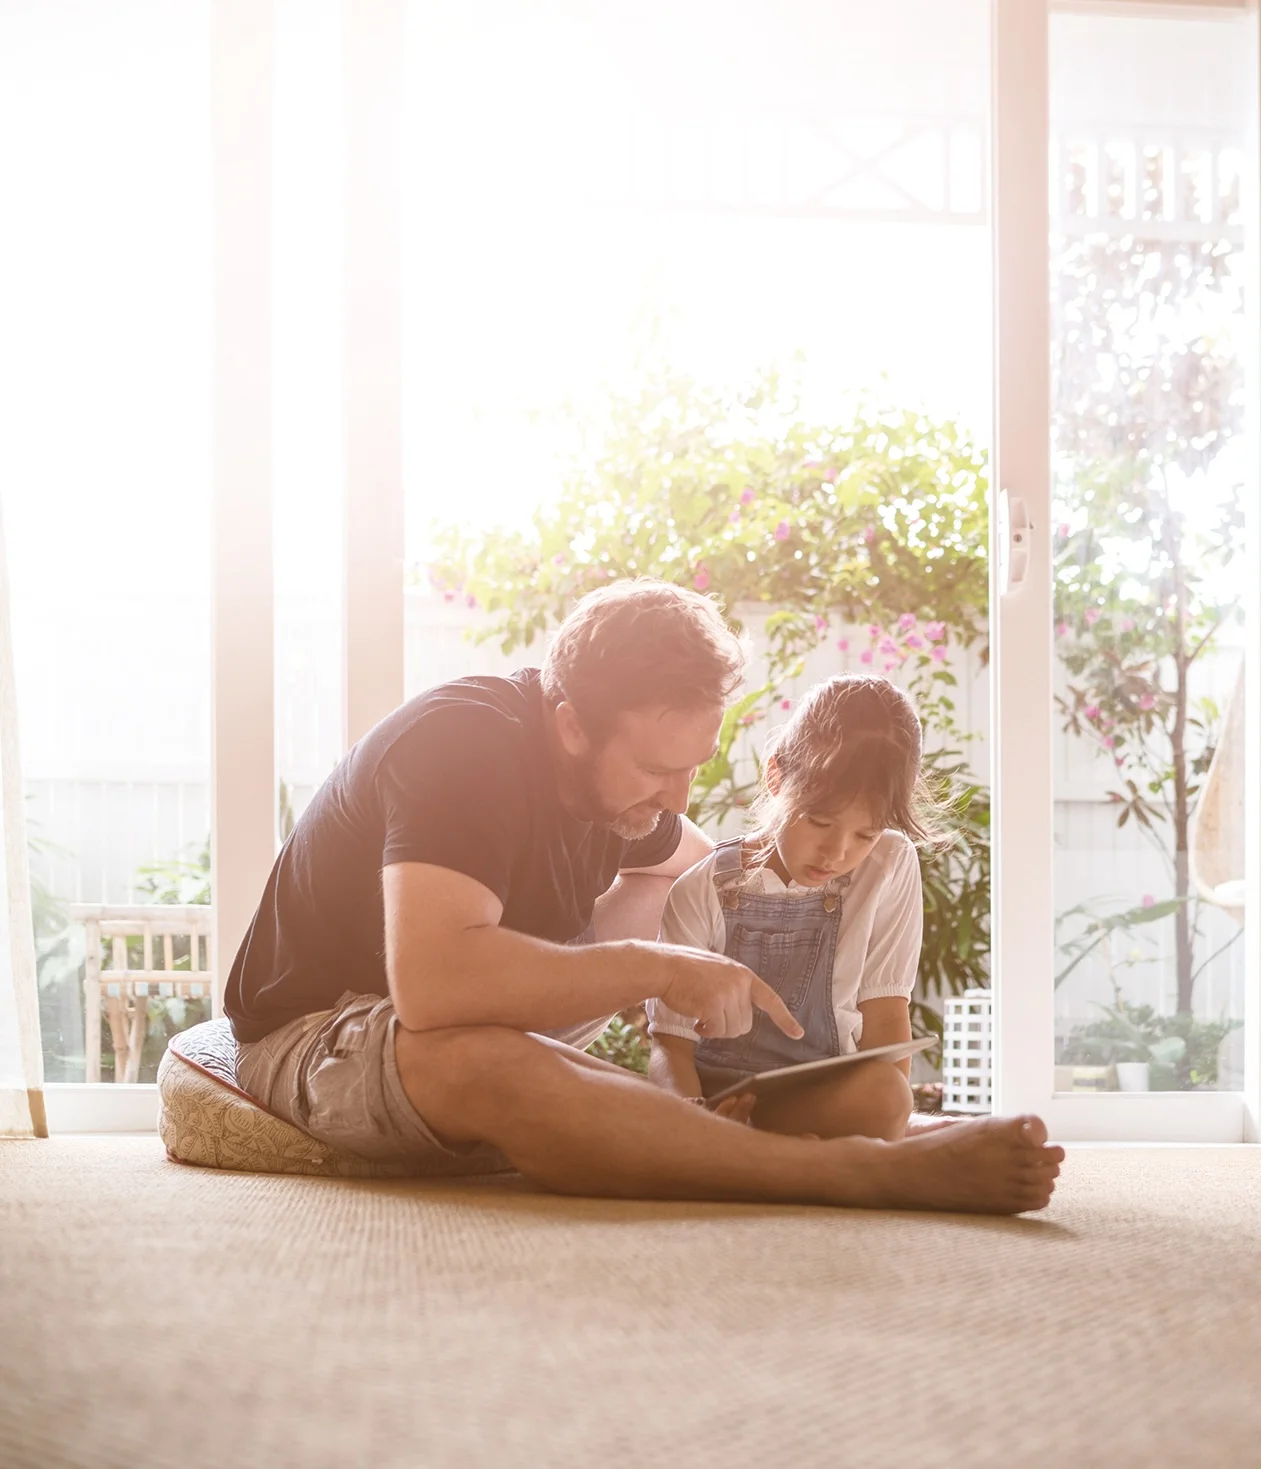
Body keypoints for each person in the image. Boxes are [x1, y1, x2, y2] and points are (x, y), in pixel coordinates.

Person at [226, 578, 1063, 1213]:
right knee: (493, 1062)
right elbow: (434, 986)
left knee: (588, 1008)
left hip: (446, 1013)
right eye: (658, 769)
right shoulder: (466, 743)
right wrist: (653, 968)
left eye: (692, 765)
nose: (675, 795)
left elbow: (692, 870)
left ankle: (716, 1126)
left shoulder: (616, 800)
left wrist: (716, 996)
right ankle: (861, 1174)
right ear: (570, 727)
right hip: (323, 1026)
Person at [647, 674, 937, 1141]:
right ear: (776, 776)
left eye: (866, 833)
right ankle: (757, 1151)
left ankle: (763, 1154)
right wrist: (692, 1118)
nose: (837, 853)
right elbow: (670, 1044)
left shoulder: (889, 861)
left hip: (819, 1100)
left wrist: (892, 1124)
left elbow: (886, 1015)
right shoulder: (699, 890)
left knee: (887, 1095)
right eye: (820, 821)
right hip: (716, 1100)